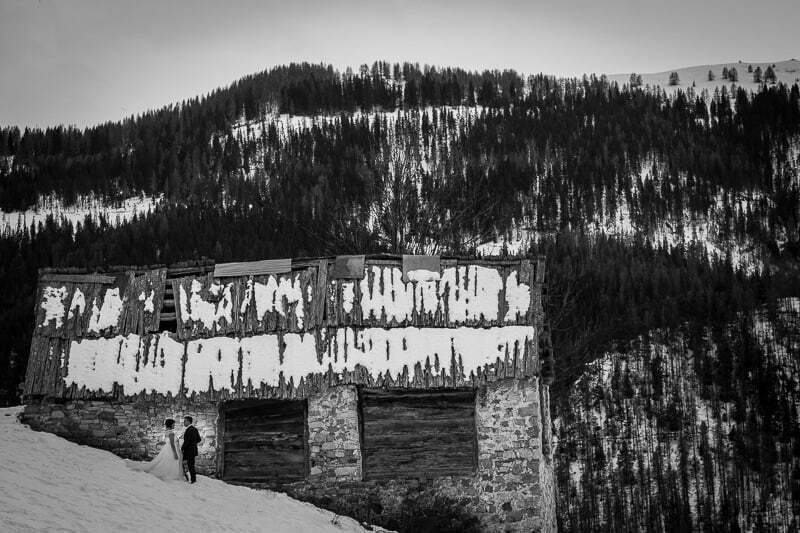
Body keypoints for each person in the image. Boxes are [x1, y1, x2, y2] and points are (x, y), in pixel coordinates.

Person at [181, 416, 201, 484]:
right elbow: (199, 439)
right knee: (189, 464)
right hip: (193, 450)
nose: (184, 422)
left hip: (189, 451)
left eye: (185, 421)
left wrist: (182, 448)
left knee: (190, 465)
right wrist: (193, 444)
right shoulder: (195, 429)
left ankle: (193, 480)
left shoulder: (189, 430)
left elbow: (187, 442)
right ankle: (189, 477)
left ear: (188, 421)